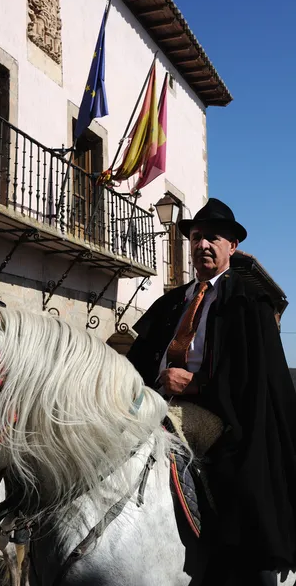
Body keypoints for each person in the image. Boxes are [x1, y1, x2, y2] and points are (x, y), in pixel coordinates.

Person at [127, 198, 296, 585]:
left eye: (213, 238)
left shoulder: (249, 304)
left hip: (222, 414)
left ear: (231, 247)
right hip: (156, 399)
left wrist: (198, 384)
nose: (203, 245)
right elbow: (137, 360)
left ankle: (248, 565)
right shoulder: (171, 302)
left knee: (239, 483)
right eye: (197, 237)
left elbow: (256, 378)